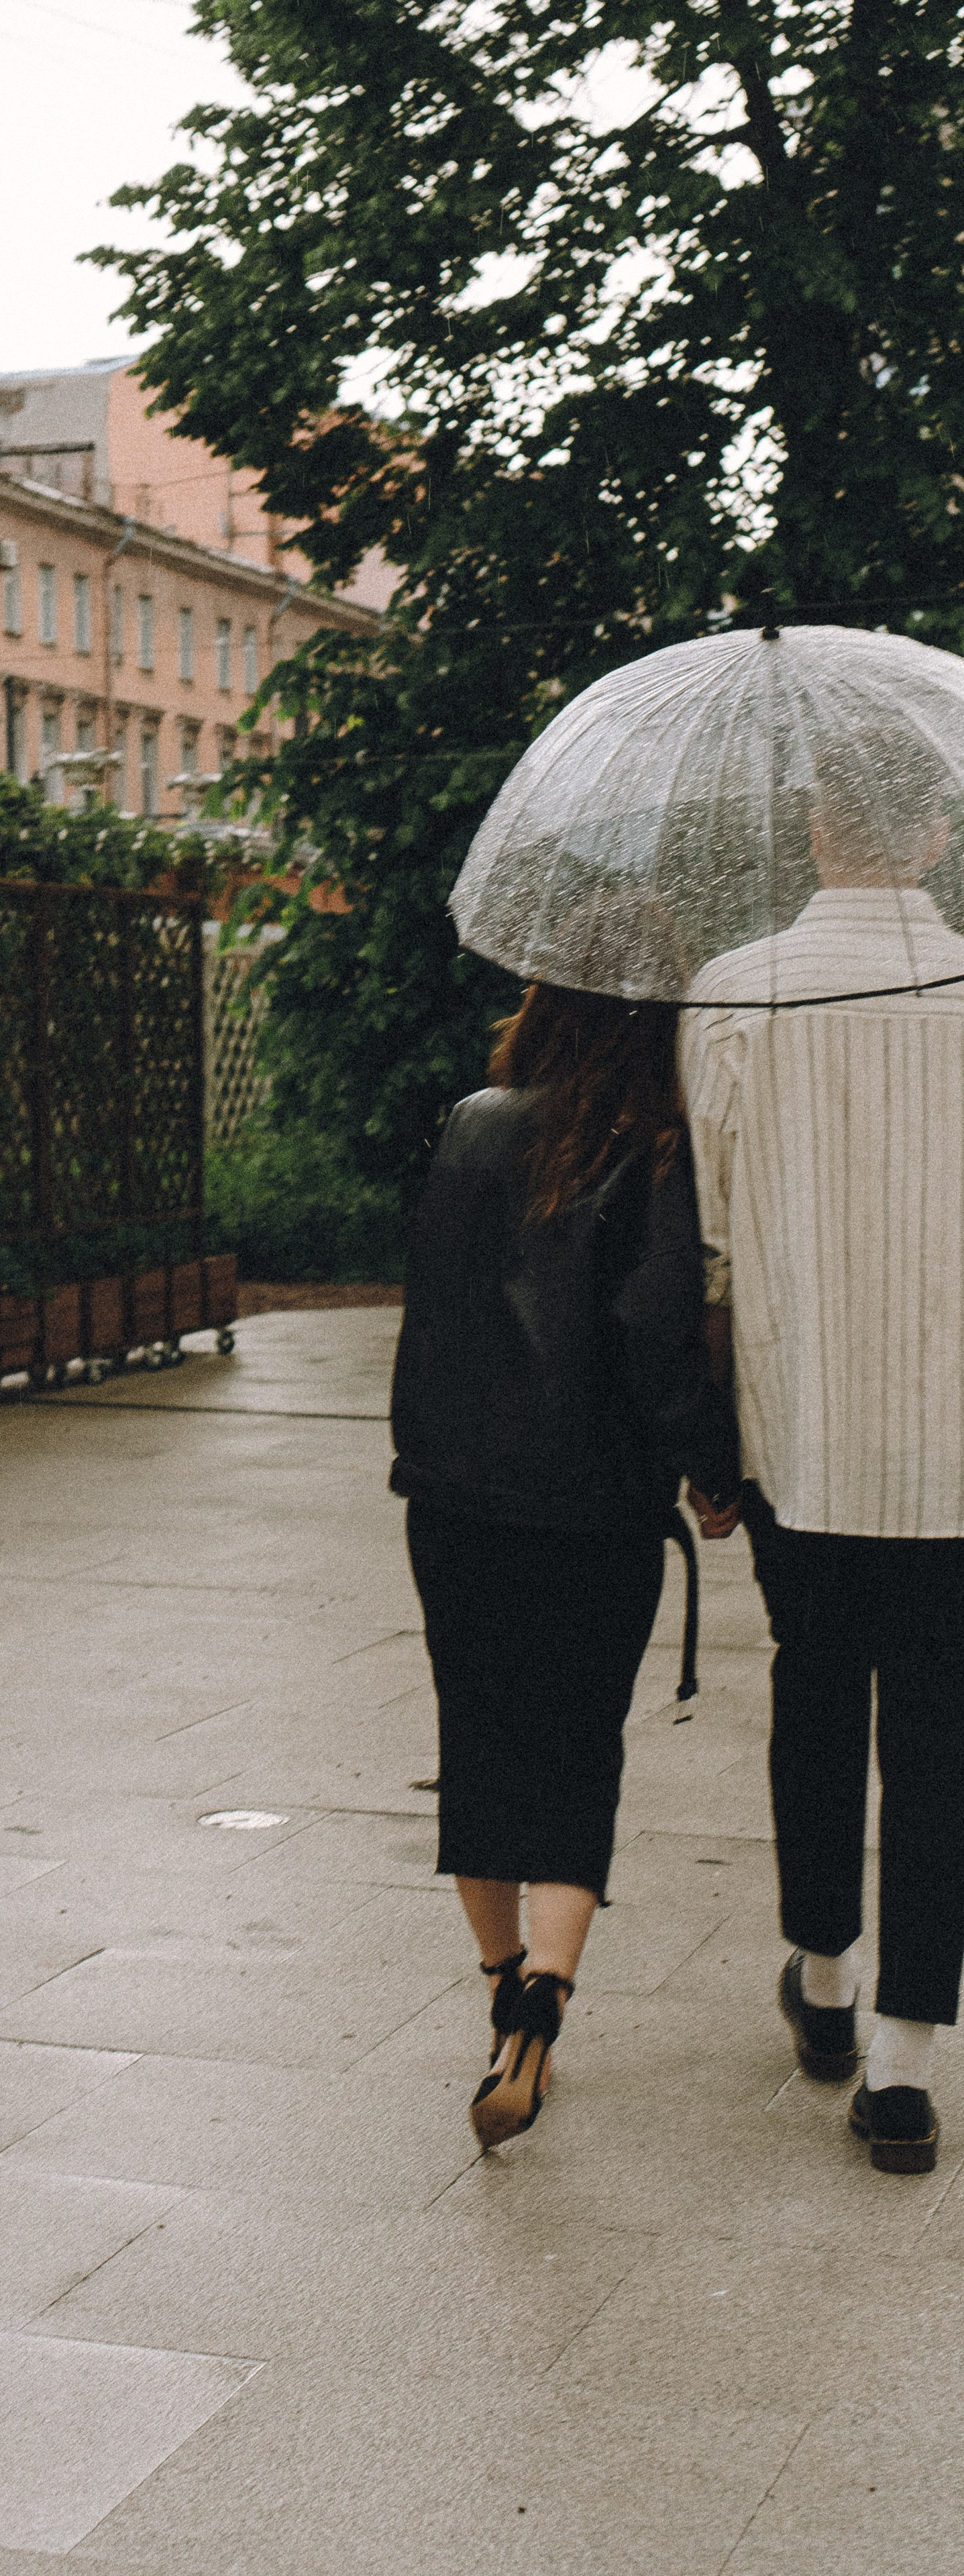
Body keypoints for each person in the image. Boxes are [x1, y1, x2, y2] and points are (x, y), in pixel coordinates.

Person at [392, 983, 741, 2149]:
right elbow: (653, 1333)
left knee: (478, 1737)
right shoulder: (646, 1152)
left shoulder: (467, 1123)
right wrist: (711, 1465)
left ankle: (501, 1985)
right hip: (590, 1506)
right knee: (578, 1745)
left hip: (450, 1497)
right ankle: (547, 1991)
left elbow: (432, 1306)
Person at [682, 748, 964, 2176]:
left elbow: (711, 1236)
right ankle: (906, 2073)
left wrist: (709, 1441)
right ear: (935, 831)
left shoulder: (733, 988)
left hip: (796, 1427)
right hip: (953, 1448)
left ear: (810, 826)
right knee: (936, 1736)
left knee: (812, 1690)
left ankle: (826, 1982)